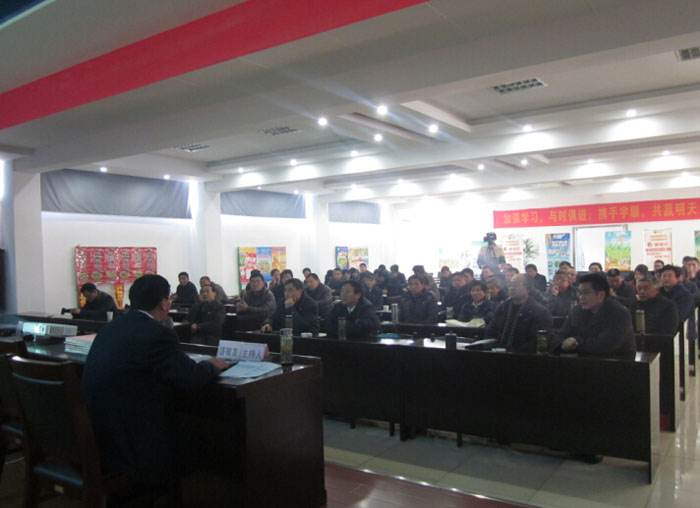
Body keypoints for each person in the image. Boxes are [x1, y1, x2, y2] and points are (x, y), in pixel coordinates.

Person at [82, 274, 229, 488]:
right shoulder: (157, 334)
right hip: (135, 443)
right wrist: (212, 365)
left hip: (101, 435)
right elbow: (191, 377)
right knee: (206, 437)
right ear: (164, 304)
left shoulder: (109, 328)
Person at [555, 273, 636, 359]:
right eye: (580, 293)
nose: (581, 297)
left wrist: (576, 341)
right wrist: (563, 343)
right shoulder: (577, 311)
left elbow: (605, 345)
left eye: (586, 293)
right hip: (582, 360)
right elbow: (562, 335)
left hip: (615, 362)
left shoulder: (619, 313)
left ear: (601, 295)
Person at [486, 274, 552, 353]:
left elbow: (537, 341)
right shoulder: (502, 308)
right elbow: (491, 332)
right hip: (498, 353)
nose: (511, 288)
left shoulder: (540, 312)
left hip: (524, 356)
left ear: (527, 288)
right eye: (510, 285)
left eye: (515, 285)